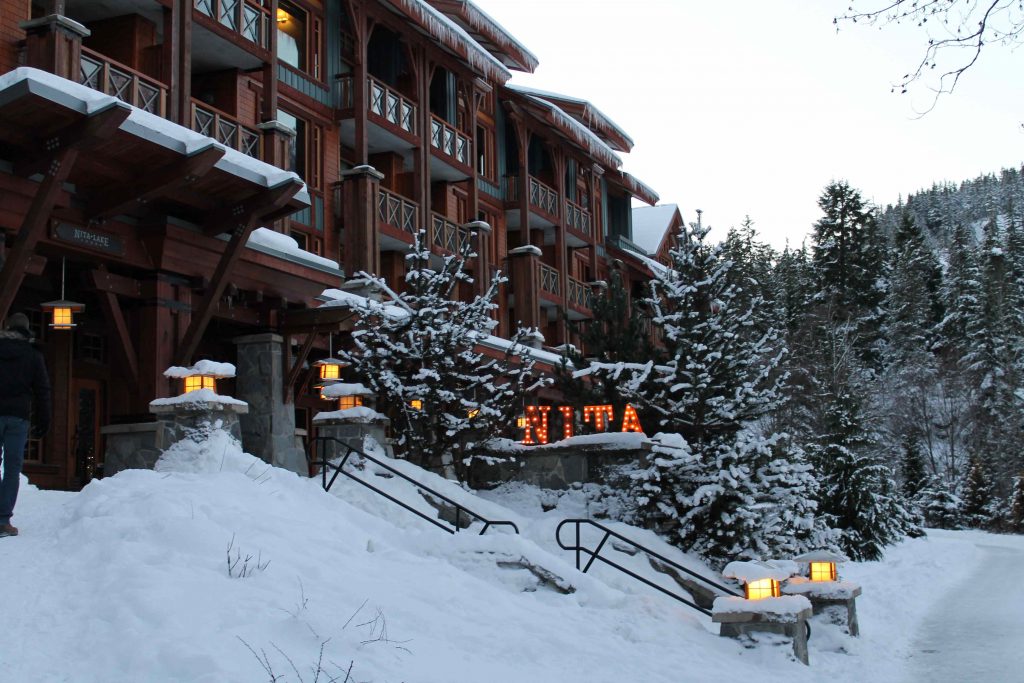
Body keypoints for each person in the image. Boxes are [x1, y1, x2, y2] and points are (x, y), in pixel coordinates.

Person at [0, 312, 51, 537]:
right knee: (12, 469)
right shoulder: (33, 356)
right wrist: (44, 420)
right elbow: (42, 390)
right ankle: (3, 521)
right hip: (18, 417)